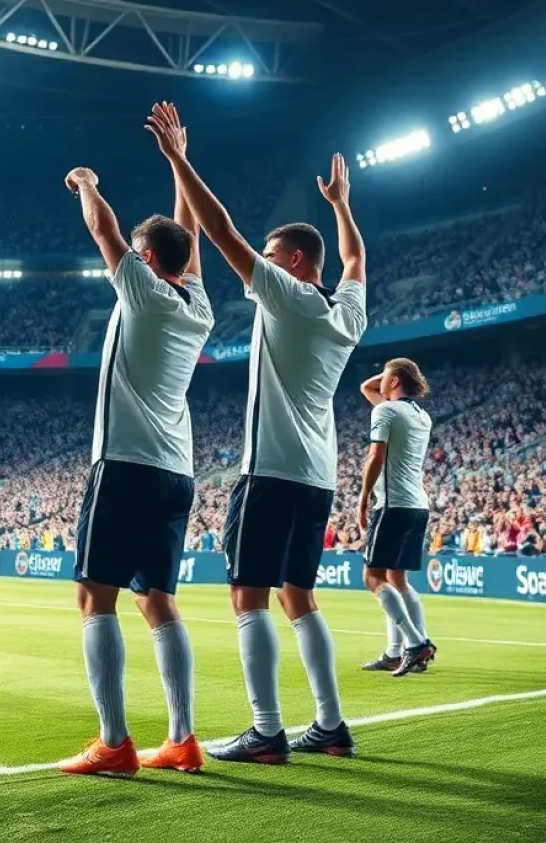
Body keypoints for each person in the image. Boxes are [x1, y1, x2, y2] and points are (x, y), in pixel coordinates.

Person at [146, 102, 366, 764]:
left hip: (271, 470)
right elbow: (353, 256)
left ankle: (266, 730)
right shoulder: (347, 310)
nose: (259, 269)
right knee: (298, 594)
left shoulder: (291, 297)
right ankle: (329, 723)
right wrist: (342, 204)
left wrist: (178, 158)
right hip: (319, 474)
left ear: (294, 262)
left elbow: (218, 231)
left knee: (248, 595)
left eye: (271, 259)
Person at [58, 133, 214, 778]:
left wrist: (87, 181)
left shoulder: (143, 292)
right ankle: (181, 740)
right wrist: (180, 160)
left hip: (124, 463)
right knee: (159, 602)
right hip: (177, 470)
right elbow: (192, 239)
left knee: (96, 598)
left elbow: (104, 230)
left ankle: (115, 744)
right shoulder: (197, 303)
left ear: (147, 259)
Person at [358, 359, 437, 677]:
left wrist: (363, 499)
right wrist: (397, 373)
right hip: (417, 504)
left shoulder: (387, 412)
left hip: (392, 504)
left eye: (386, 376)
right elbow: (367, 388)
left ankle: (416, 644)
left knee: (372, 576)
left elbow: (376, 456)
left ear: (392, 383)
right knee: (396, 578)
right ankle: (395, 652)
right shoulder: (420, 415)